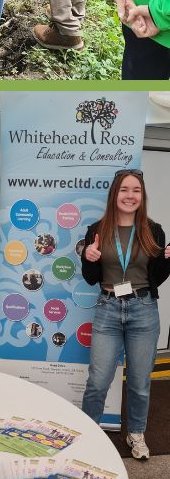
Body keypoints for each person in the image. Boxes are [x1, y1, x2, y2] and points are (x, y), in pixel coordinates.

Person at [79, 169, 170, 459]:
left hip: (144, 310)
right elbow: (90, 278)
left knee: (140, 383)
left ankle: (136, 433)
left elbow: (156, 276)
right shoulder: (97, 229)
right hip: (108, 309)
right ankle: (89, 434)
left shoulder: (153, 230)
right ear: (114, 194)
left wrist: (168, 261)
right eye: (124, 190)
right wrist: (87, 257)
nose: (130, 196)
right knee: (98, 382)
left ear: (143, 196)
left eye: (136, 190)